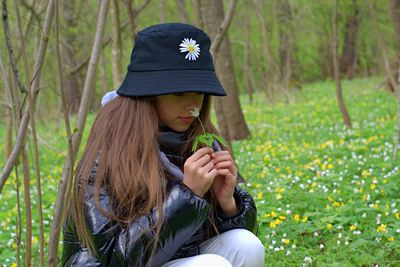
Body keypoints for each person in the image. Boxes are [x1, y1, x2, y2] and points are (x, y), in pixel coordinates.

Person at [61, 23, 264, 267]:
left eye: (199, 92)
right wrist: (188, 196)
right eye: (179, 93)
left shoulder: (200, 138)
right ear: (147, 94)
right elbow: (115, 258)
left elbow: (201, 237)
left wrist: (227, 203)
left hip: (169, 259)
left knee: (245, 244)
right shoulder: (108, 151)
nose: (193, 104)